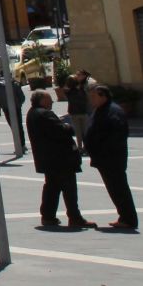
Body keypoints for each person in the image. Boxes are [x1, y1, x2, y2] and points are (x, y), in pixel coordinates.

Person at [26, 90, 91, 231]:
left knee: (52, 188)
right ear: (42, 100)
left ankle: (48, 216)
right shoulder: (44, 114)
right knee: (69, 189)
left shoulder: (32, 113)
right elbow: (61, 130)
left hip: (48, 159)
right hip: (60, 159)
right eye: (49, 100)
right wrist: (67, 126)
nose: (52, 102)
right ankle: (75, 217)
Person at [84, 85, 138, 232]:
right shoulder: (101, 110)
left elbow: (117, 136)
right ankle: (123, 217)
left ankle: (128, 219)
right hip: (104, 159)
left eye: (94, 97)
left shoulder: (113, 111)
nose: (91, 100)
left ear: (103, 96)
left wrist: (102, 150)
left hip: (111, 159)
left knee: (119, 189)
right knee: (114, 189)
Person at [66, 72, 93, 141]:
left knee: (78, 131)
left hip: (74, 112)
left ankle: (80, 147)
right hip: (82, 111)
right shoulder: (81, 89)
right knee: (85, 130)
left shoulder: (68, 91)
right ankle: (85, 146)